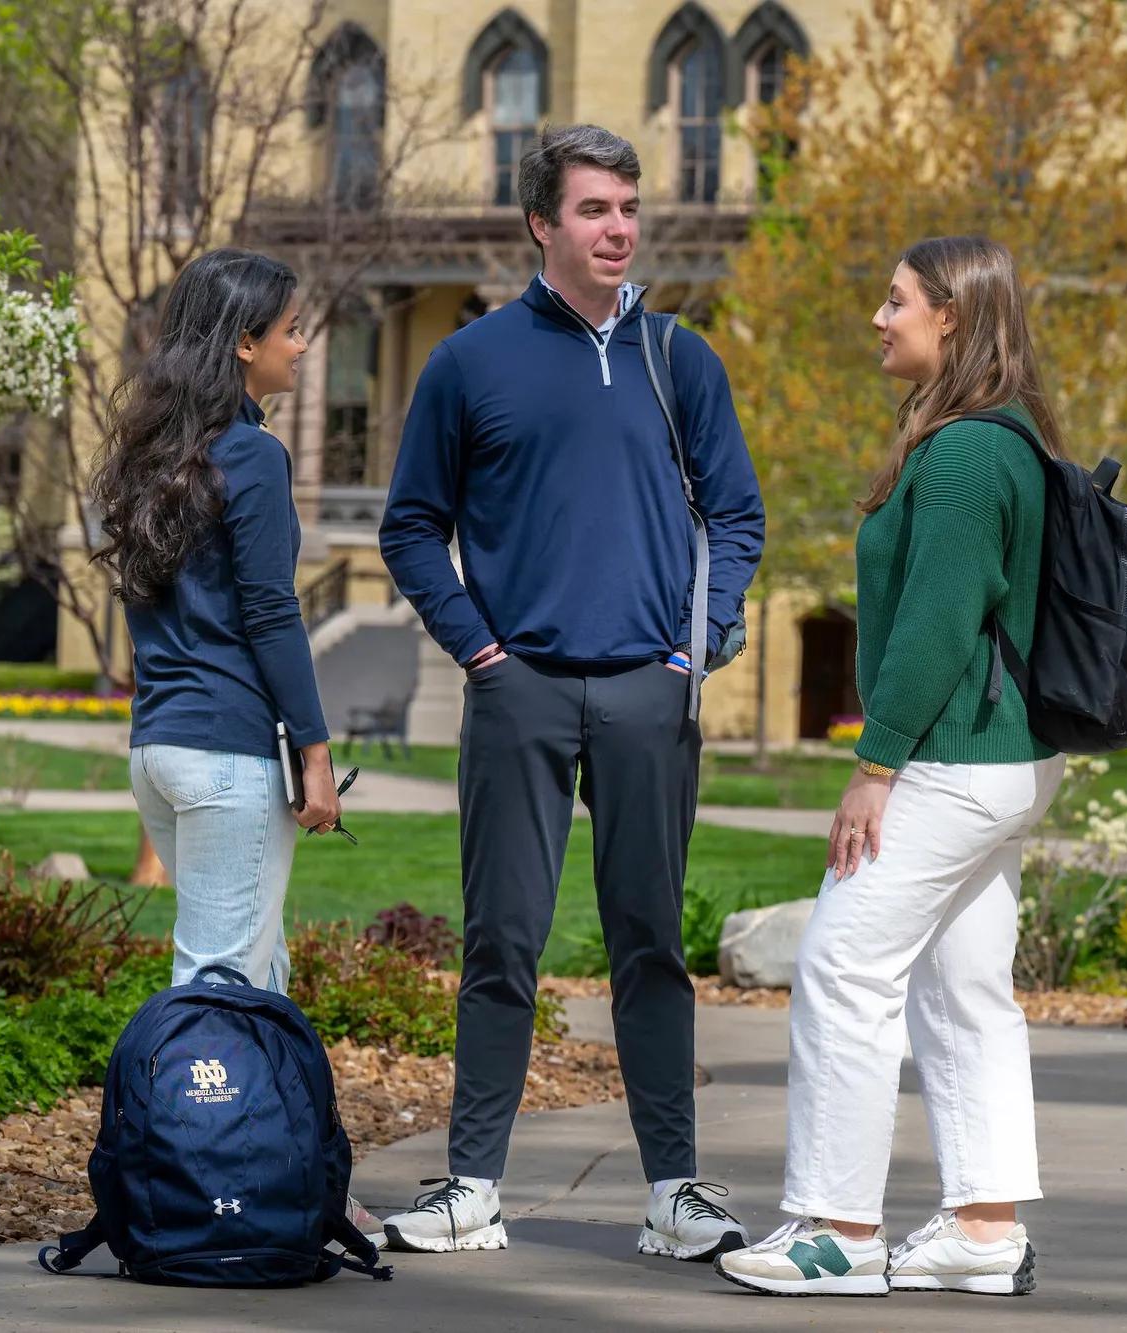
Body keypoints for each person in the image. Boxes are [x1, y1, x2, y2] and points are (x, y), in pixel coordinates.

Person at [377, 124, 765, 1261]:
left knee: (649, 942)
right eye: (594, 209)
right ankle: (469, 1186)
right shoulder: (470, 362)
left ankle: (674, 1193)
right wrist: (478, 652)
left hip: (651, 689)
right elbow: (410, 526)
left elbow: (733, 514)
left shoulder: (679, 356)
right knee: (502, 940)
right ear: (541, 223)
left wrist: (698, 646)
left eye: (628, 208)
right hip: (520, 690)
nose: (618, 228)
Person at [715, 236, 1070, 1299]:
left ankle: (835, 1229)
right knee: (963, 991)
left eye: (895, 301)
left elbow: (932, 628)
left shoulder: (964, 454)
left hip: (952, 761)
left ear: (951, 318)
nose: (878, 318)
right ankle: (981, 1226)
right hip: (1005, 764)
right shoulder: (1008, 440)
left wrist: (874, 764)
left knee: (841, 968)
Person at [88, 248, 379, 1243]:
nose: (305, 344)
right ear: (245, 342)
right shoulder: (250, 455)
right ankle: (194, 1202)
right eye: (291, 329)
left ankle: (294, 1175)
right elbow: (267, 612)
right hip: (222, 754)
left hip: (159, 754)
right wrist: (312, 747)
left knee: (261, 975)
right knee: (215, 997)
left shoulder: (151, 451)